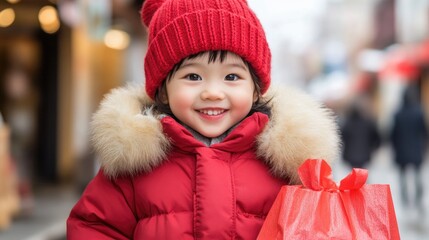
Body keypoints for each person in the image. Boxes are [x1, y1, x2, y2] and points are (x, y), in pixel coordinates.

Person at [67, 0, 340, 239]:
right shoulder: (135, 165)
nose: (212, 92)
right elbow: (95, 227)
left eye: (232, 77)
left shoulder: (286, 167)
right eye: (193, 77)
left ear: (256, 89)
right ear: (163, 88)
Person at [390, 87, 428, 213]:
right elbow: (424, 131)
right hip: (416, 150)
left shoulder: (397, 114)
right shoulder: (419, 112)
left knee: (403, 177)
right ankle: (418, 199)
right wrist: (424, 147)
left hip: (402, 151)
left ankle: (405, 200)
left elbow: (393, 134)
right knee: (418, 176)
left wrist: (394, 148)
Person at [340, 100, 381, 169]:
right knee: (361, 172)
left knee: (354, 173)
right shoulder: (368, 123)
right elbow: (376, 137)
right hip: (364, 155)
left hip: (350, 155)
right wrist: (373, 147)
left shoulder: (347, 124)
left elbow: (342, 138)